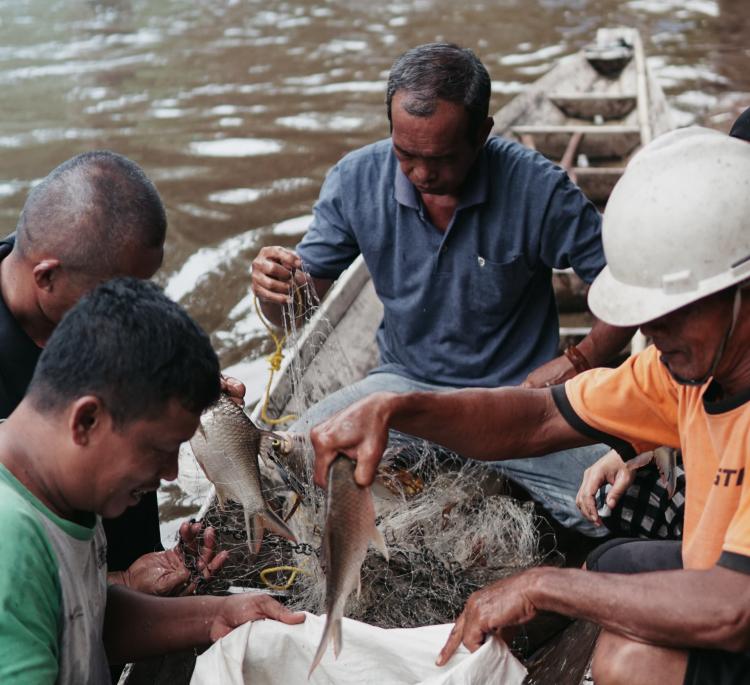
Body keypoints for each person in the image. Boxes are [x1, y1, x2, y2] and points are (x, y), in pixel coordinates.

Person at [310, 127, 750, 684]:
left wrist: (542, 585)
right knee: (608, 565)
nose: (651, 330)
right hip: (727, 580)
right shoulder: (681, 372)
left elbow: (734, 608)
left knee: (628, 662)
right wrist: (397, 408)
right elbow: (538, 418)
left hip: (736, 602)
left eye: (675, 311)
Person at [252, 42, 634, 538]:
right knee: (284, 462)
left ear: (482, 135)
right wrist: (273, 289)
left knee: (613, 509)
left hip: (517, 404)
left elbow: (626, 291)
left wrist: (579, 359)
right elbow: (297, 312)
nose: (422, 173)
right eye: (405, 154)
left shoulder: (539, 189)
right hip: (401, 391)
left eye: (442, 158)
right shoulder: (354, 180)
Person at [0, 277, 304, 684]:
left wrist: (216, 613)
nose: (170, 473)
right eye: (160, 449)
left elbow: (81, 620)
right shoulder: (12, 545)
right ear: (87, 420)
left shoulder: (51, 482)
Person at [0, 150, 238, 596]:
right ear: (46, 276)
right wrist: (122, 583)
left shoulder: (93, 279)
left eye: (143, 288)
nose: (129, 308)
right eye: (115, 294)